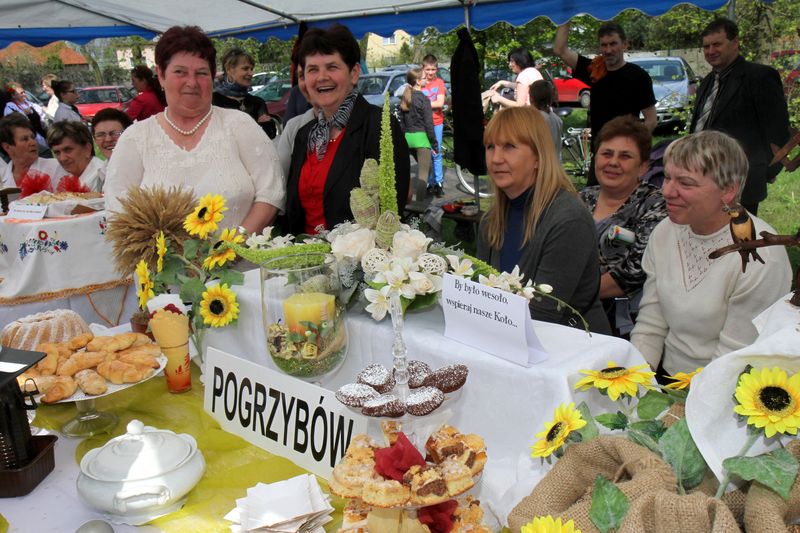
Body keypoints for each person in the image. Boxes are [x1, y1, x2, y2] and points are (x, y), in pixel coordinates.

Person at [631, 130, 791, 374]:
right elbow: (651, 324)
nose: (667, 191)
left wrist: (679, 404)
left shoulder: (762, 256)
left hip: (728, 391)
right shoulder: (665, 232)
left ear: (728, 190)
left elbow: (735, 360)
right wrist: (635, 383)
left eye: (685, 183)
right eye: (667, 177)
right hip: (668, 380)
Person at [105, 25, 285, 236]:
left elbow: (271, 192)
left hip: (242, 264)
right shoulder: (135, 139)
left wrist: (231, 247)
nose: (191, 82)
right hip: (161, 267)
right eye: (180, 72)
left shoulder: (239, 125)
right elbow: (117, 214)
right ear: (161, 76)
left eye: (201, 73)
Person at [477, 107, 610, 334]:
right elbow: (480, 296)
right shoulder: (491, 221)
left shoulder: (568, 220)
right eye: (491, 147)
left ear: (538, 156)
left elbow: (542, 314)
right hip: (510, 344)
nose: (496, 158)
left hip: (574, 352)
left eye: (509, 146)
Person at [284, 24, 409, 235]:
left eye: (332, 67)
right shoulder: (304, 135)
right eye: (313, 69)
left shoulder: (378, 126)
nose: (322, 77)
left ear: (354, 73)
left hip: (357, 262)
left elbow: (392, 206)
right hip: (307, 259)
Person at [689, 18, 790, 216]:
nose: (710, 51)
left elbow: (777, 131)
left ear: (735, 43)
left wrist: (766, 172)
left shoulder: (760, 77)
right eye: (706, 46)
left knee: (738, 240)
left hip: (740, 181)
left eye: (717, 44)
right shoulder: (708, 81)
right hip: (701, 176)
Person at [578, 116, 667, 335]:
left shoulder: (655, 205)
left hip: (626, 325)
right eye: (606, 153)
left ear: (643, 166)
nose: (613, 162)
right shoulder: (580, 198)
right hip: (570, 313)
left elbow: (634, 273)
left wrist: (569, 290)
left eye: (625, 156)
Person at [554, 22, 656, 186]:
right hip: (600, 155)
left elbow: (651, 120)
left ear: (625, 44)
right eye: (604, 45)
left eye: (613, 44)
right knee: (594, 204)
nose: (608, 50)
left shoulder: (638, 76)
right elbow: (560, 50)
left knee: (626, 205)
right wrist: (567, 17)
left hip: (626, 156)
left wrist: (634, 147)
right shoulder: (595, 70)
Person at [212, 48, 274, 138]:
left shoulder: (257, 102)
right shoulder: (214, 101)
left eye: (251, 69)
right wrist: (258, 126)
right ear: (229, 69)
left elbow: (270, 134)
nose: (251, 73)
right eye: (245, 69)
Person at [0, 113, 66, 194]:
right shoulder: (1, 177)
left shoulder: (56, 167)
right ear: (7, 147)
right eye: (25, 139)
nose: (33, 142)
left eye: (32, 137)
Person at [400, 68, 438, 202]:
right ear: (417, 81)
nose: (426, 79)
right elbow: (429, 124)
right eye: (423, 77)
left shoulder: (405, 97)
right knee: (423, 175)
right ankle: (419, 206)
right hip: (421, 139)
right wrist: (434, 145)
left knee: (409, 173)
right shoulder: (424, 99)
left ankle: (406, 202)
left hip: (407, 139)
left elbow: (402, 123)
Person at [277, 64, 316, 178]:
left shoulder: (367, 123)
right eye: (302, 76)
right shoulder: (293, 127)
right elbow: (282, 179)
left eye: (331, 68)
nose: (311, 81)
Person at [47, 121, 106, 192]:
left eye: (68, 150)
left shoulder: (103, 178)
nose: (62, 158)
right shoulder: (67, 176)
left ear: (87, 149)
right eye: (57, 152)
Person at [421, 54, 446, 198]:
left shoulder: (439, 83)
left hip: (436, 123)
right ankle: (429, 184)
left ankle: (439, 183)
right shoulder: (419, 84)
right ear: (423, 68)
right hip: (422, 124)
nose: (431, 73)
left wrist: (423, 105)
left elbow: (440, 103)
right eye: (428, 69)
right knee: (426, 155)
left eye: (433, 69)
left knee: (436, 154)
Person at [530, 80, 562, 161]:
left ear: (531, 98)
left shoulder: (534, 119)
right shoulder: (557, 120)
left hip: (541, 166)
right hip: (554, 165)